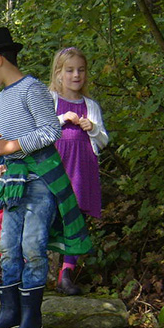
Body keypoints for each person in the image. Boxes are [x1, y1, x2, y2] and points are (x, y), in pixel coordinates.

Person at [0, 27, 92, 328]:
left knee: (32, 247)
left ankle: (31, 318)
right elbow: (10, 140)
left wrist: (10, 146)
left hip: (40, 182)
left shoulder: (32, 89)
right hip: (13, 183)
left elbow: (51, 132)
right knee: (8, 247)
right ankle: (9, 314)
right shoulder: (0, 100)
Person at [49, 46, 109, 295]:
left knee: (75, 218)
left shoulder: (90, 105)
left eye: (81, 70)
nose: (76, 75)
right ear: (59, 73)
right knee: (48, 213)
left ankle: (67, 273)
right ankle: (36, 270)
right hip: (55, 167)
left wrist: (91, 127)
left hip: (81, 169)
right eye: (70, 70)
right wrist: (63, 119)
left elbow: (103, 140)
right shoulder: (50, 99)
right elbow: (39, 131)